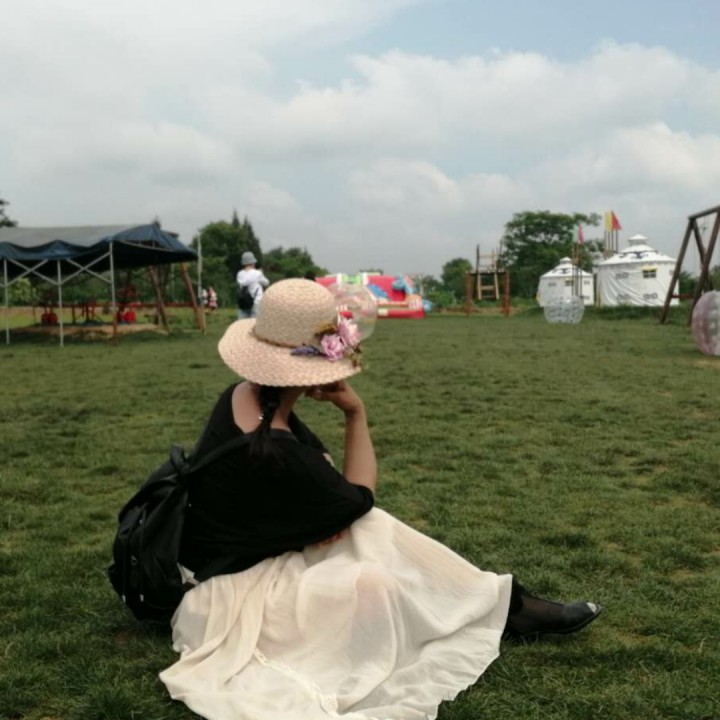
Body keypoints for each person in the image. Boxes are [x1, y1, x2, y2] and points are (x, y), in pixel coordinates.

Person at [159, 279, 602, 720]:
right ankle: (507, 604)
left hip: (226, 561)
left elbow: (332, 486)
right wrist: (355, 413)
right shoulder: (277, 448)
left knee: (367, 536)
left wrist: (339, 509)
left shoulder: (243, 397)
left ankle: (504, 603)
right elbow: (359, 494)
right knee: (372, 538)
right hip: (232, 594)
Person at [236, 250, 269, 319]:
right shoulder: (257, 273)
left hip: (243, 302)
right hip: (256, 301)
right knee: (255, 323)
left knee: (243, 323)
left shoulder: (239, 274)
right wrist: (261, 273)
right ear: (253, 262)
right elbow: (266, 283)